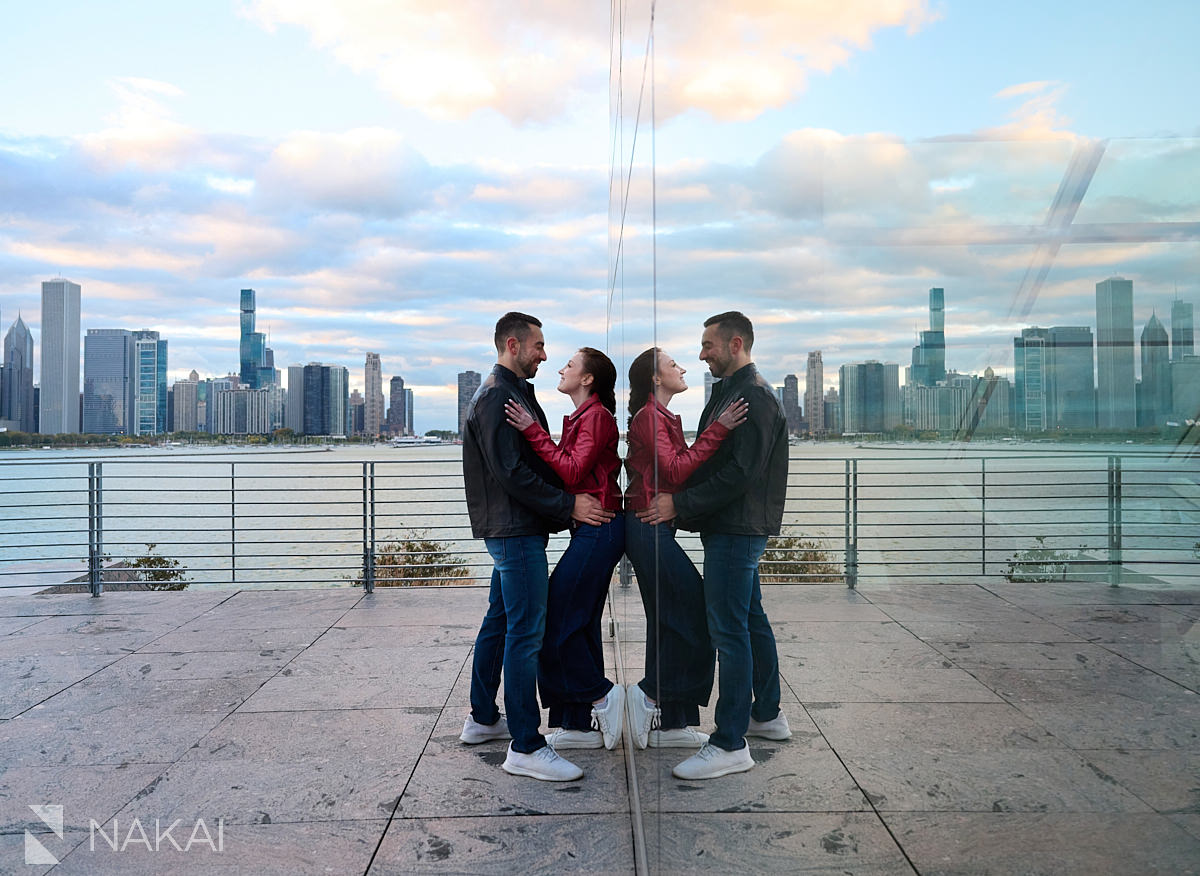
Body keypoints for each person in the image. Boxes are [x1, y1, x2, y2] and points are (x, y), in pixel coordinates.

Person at [460, 312, 613, 782]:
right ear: (513, 344)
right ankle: (526, 745)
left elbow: (538, 457)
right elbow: (513, 474)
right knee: (526, 634)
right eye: (539, 346)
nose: (545, 355)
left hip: (512, 528)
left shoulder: (509, 393)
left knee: (500, 620)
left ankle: (483, 718)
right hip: (514, 531)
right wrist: (569, 505)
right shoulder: (498, 398)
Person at [638, 311, 791, 780]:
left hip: (737, 530)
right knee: (749, 618)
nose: (701, 354)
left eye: (708, 345)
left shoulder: (754, 397)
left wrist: (679, 506)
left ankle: (729, 742)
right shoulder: (736, 393)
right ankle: (766, 715)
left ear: (736, 343)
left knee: (728, 630)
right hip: (736, 528)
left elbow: (739, 475)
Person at [623, 348, 747, 750]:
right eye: (673, 364)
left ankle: (671, 722)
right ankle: (648, 696)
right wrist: (720, 428)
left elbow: (675, 470)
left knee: (669, 623)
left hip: (656, 527)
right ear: (656, 379)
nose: (682, 368)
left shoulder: (661, 417)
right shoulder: (650, 418)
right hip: (647, 529)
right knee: (694, 615)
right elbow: (675, 470)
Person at [504, 347, 626, 750]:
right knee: (580, 624)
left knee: (556, 620)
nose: (560, 368)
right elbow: (574, 470)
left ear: (587, 379)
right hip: (590, 531)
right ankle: (577, 723)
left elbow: (572, 469)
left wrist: (530, 429)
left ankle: (603, 697)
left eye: (570, 365)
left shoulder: (596, 417)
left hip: (599, 531)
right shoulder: (584, 417)